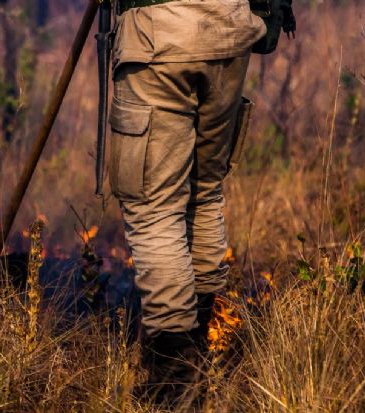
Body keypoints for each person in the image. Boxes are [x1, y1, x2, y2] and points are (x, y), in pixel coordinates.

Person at [108, 0, 266, 407]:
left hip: (159, 37)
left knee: (154, 207)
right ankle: (200, 349)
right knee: (204, 191)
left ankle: (174, 380)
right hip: (229, 31)